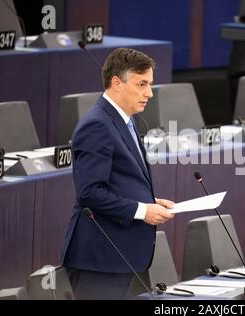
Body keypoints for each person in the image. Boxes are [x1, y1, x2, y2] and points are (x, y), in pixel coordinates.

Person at [60, 48, 175, 300]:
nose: (150, 93)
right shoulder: (97, 125)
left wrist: (149, 202)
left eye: (150, 84)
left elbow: (119, 180)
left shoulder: (127, 119)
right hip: (100, 259)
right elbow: (90, 193)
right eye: (142, 84)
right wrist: (143, 211)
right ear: (117, 83)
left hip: (121, 255)